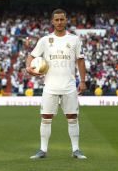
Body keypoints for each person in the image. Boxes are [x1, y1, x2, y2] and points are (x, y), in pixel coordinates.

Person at [26, 9, 87, 159]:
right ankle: (43, 150)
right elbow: (31, 56)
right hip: (50, 86)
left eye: (62, 19)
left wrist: (83, 81)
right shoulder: (45, 40)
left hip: (69, 86)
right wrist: (29, 67)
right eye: (57, 20)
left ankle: (76, 150)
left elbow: (80, 60)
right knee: (46, 117)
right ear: (52, 22)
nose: (59, 22)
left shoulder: (74, 39)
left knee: (72, 117)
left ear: (66, 20)